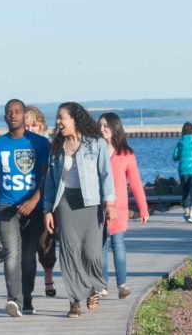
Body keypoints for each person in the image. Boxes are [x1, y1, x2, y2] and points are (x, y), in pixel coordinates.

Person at [43, 102, 115, 318]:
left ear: (74, 119)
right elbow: (50, 182)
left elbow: (106, 175)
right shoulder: (56, 146)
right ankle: (74, 301)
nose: (58, 122)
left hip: (91, 203)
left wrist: (110, 203)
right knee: (69, 254)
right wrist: (48, 209)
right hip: (64, 203)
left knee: (92, 254)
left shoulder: (96, 144)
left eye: (61, 117)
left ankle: (93, 287)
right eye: (58, 118)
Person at [0, 99, 49, 317]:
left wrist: (34, 201)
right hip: (6, 207)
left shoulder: (39, 144)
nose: (13, 115)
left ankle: (27, 298)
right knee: (11, 255)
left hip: (35, 209)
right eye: (9, 112)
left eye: (17, 112)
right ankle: (14, 300)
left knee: (28, 257)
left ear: (24, 116)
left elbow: (46, 177)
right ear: (5, 117)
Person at [98, 112, 148, 299]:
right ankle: (102, 285)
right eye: (100, 125)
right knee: (100, 247)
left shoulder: (126, 153)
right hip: (97, 207)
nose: (102, 129)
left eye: (106, 125)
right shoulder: (96, 150)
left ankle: (122, 284)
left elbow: (135, 182)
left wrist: (143, 209)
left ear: (115, 127)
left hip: (118, 208)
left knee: (118, 245)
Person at [25, 106, 57, 298]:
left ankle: (48, 276)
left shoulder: (48, 144)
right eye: (27, 125)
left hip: (46, 202)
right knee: (27, 246)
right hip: (23, 199)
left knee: (46, 244)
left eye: (34, 125)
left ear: (41, 125)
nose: (30, 129)